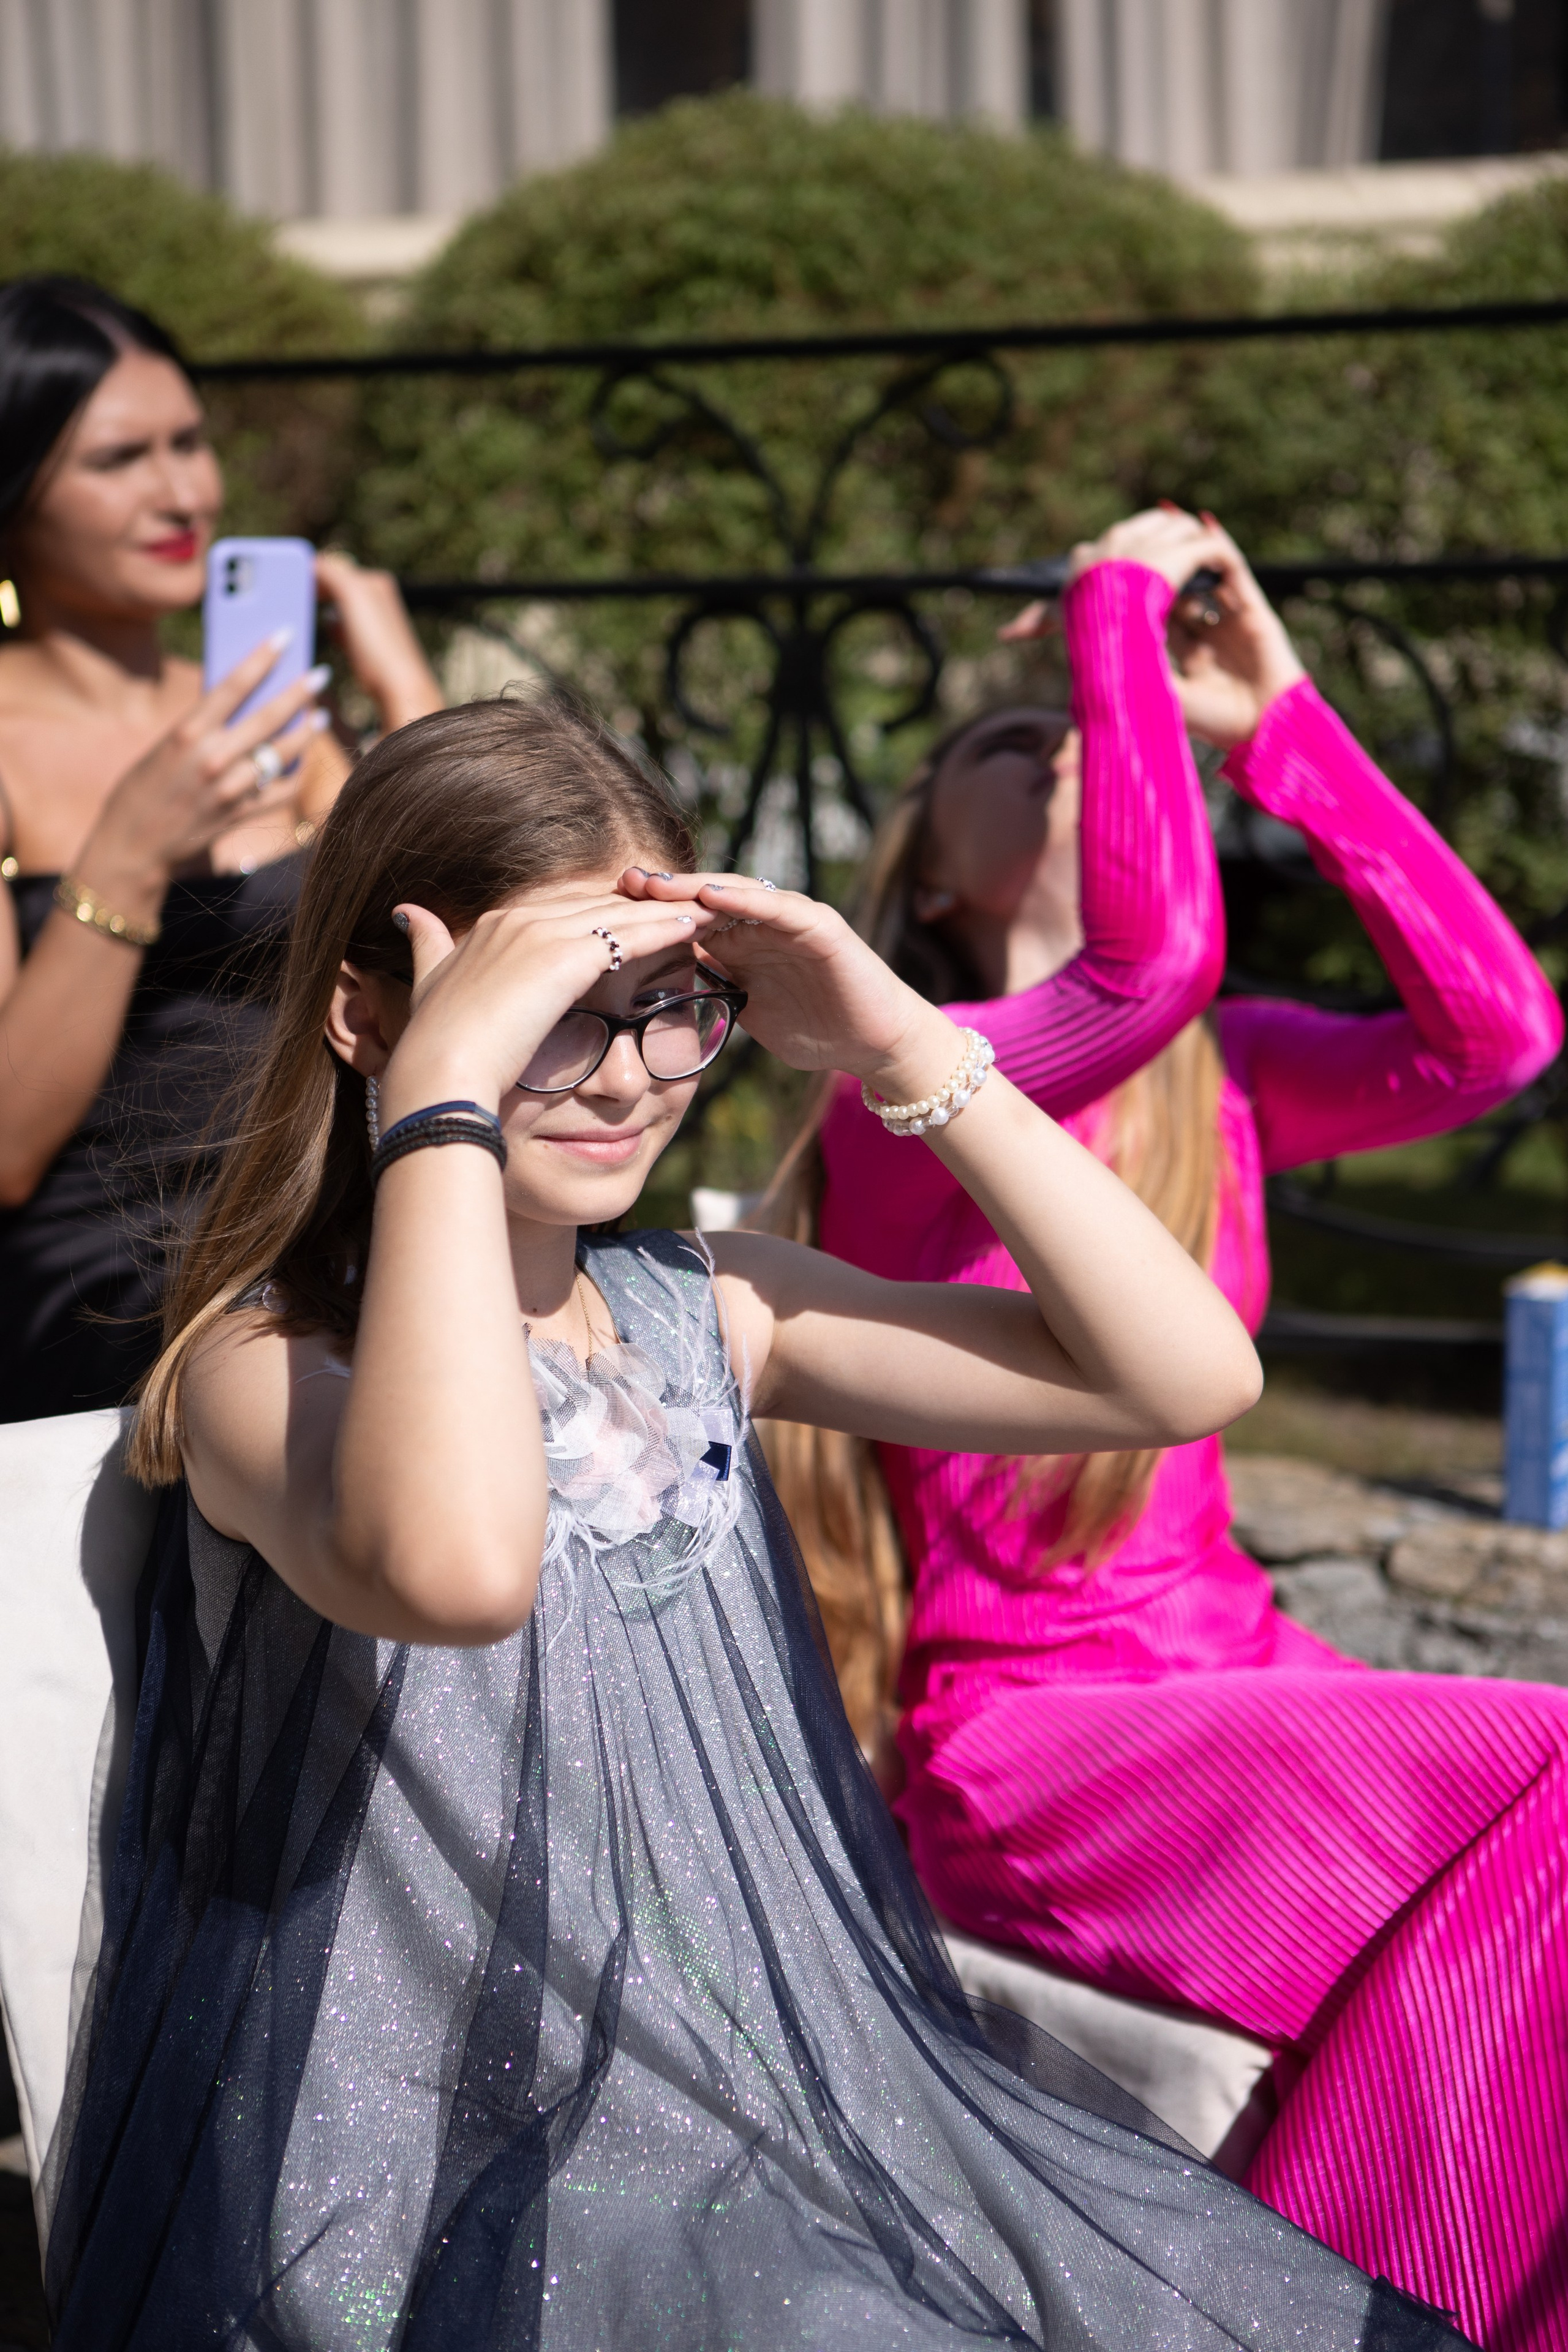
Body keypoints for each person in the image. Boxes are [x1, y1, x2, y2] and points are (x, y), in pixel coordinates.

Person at [40, 692, 1468, 2351]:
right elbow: (459, 1565)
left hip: (775, 2108)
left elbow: (1182, 1371)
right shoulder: (259, 1371)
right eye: (554, 1015)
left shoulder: (710, 1309)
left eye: (673, 1009)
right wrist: (440, 1091)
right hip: (442, 2173)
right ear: (370, 1016)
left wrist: (903, 1048)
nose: (627, 1077)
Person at [788, 505, 1566, 2348]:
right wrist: (1112, 603)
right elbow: (1146, 962)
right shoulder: (905, 1108)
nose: (1070, 732)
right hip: (1043, 1744)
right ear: (930, 891)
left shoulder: (1220, 1081)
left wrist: (1282, 717)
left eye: (1087, 716)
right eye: (1019, 734)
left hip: (1248, 1670)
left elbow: (1501, 1039)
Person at [0, 273, 443, 1420]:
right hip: (117, 1302)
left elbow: (461, 934)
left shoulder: (273, 717)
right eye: (117, 460)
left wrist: (398, 682)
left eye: (190, 442)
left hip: (334, 1239)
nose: (182, 492)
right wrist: (125, 859)